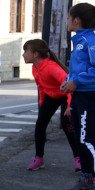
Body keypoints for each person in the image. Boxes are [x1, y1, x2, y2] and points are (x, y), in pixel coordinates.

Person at [60, 3, 95, 190]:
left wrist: (75, 82)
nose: (66, 21)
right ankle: (87, 180)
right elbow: (79, 70)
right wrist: (69, 83)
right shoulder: (80, 40)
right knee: (80, 139)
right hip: (80, 96)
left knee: (88, 140)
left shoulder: (91, 40)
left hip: (91, 96)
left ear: (76, 20)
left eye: (68, 17)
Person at [22, 39, 79, 172]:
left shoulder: (50, 67)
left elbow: (69, 84)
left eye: (26, 51)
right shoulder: (35, 68)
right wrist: (42, 106)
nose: (23, 54)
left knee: (66, 124)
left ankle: (78, 158)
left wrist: (70, 106)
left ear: (35, 54)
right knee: (40, 124)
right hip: (52, 96)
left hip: (66, 94)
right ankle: (39, 159)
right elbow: (41, 88)